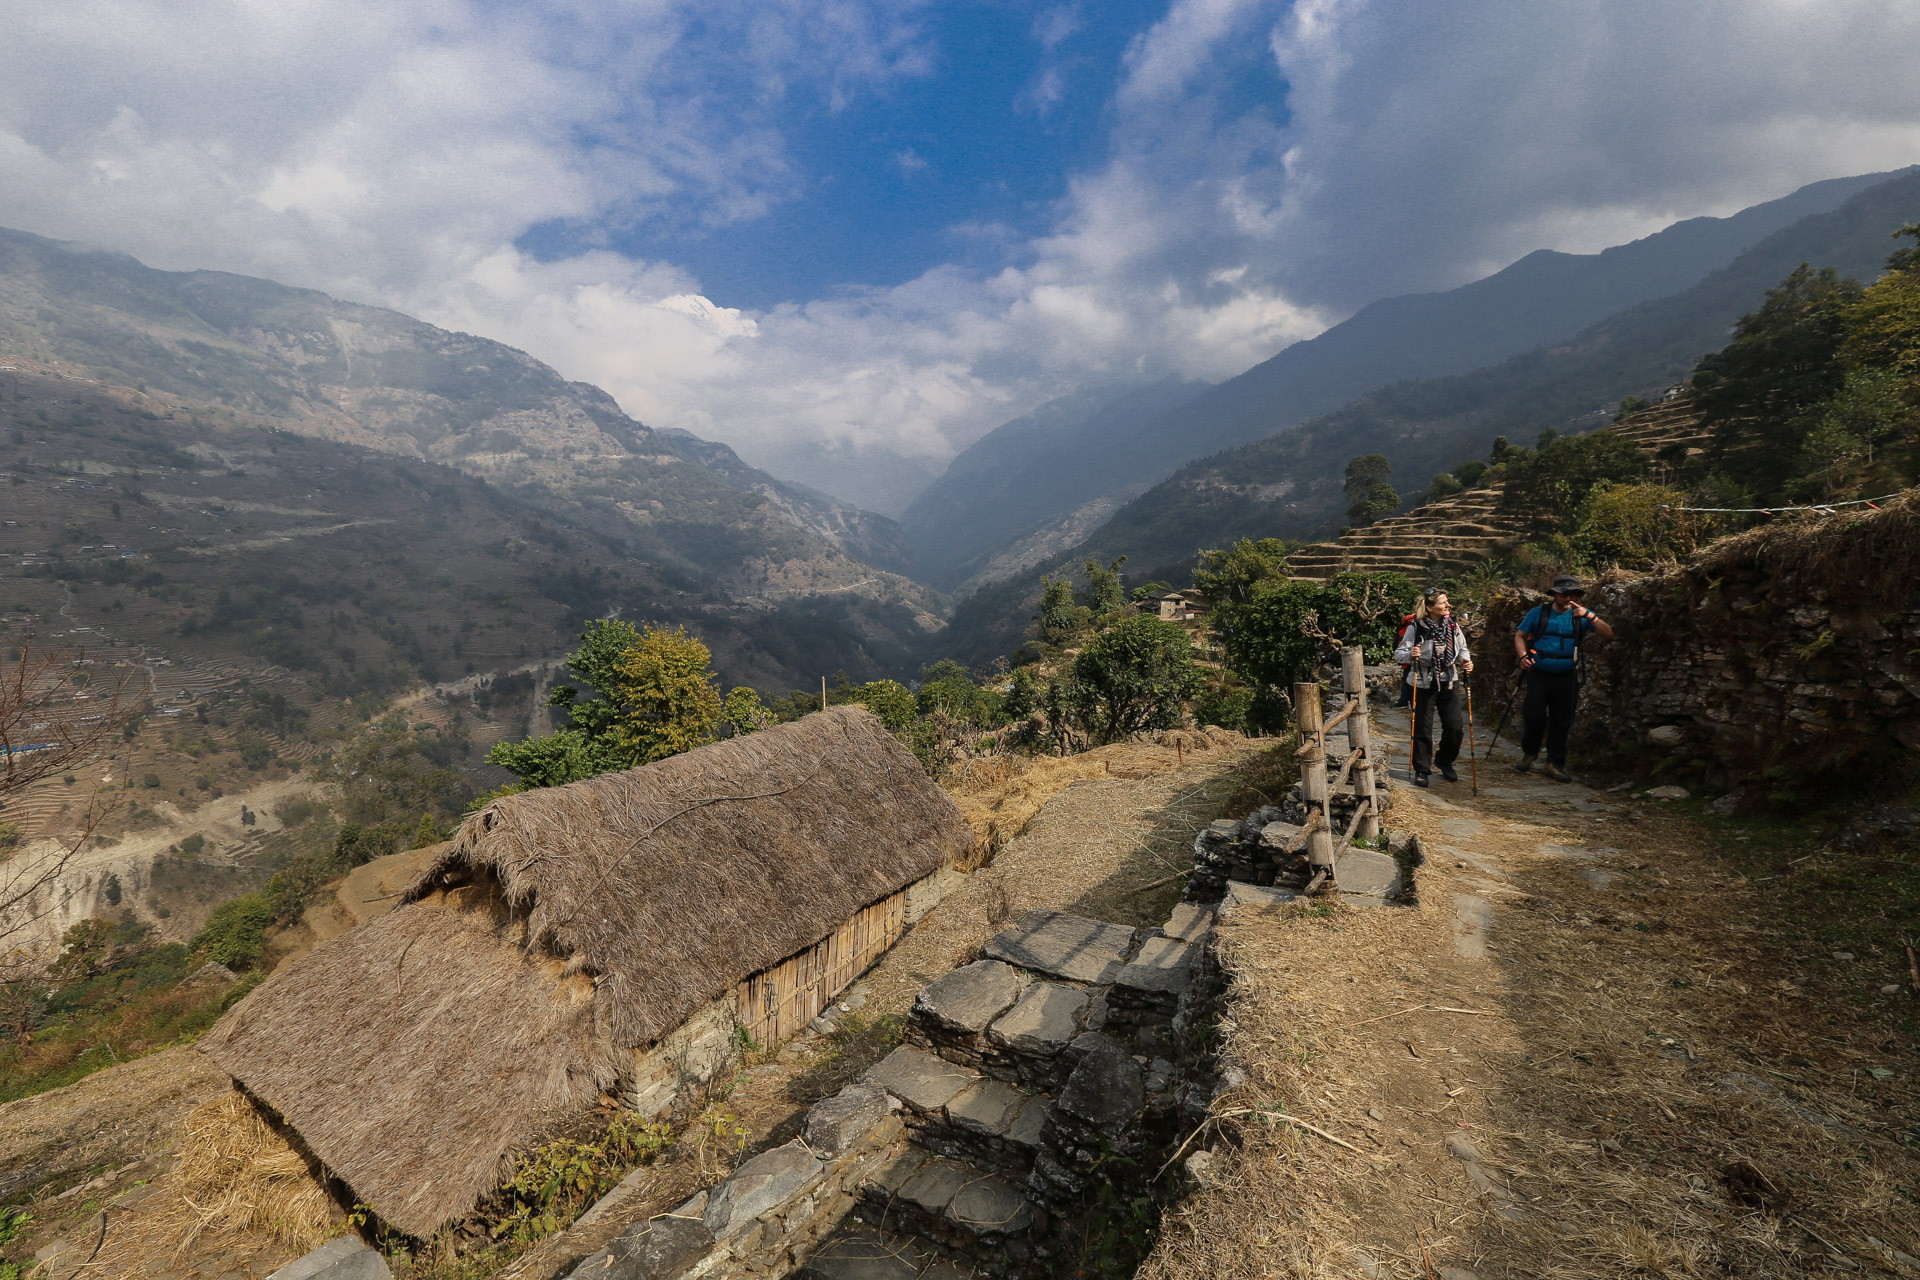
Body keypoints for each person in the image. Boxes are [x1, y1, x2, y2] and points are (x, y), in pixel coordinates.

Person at [1512, 574, 1614, 782]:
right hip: (1539, 672)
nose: (1568, 598)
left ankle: (1555, 763)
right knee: (1534, 715)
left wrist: (1590, 617)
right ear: (1555, 595)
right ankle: (1530, 751)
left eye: (1573, 594)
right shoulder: (1538, 613)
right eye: (1563, 594)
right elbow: (1520, 636)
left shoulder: (1582, 616)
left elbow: (1609, 634)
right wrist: (1523, 656)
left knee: (1562, 720)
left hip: (1567, 676)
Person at [1393, 588, 1473, 787]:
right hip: (1421, 682)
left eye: (1447, 602)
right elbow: (1399, 655)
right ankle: (1422, 769)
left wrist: (1466, 661)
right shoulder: (1417, 627)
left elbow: (1462, 648)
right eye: (1443, 603)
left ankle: (1445, 762)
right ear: (1430, 607)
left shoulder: (1453, 626)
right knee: (1422, 727)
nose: (1448, 605)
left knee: (1455, 727)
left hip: (1449, 680)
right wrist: (1411, 654)